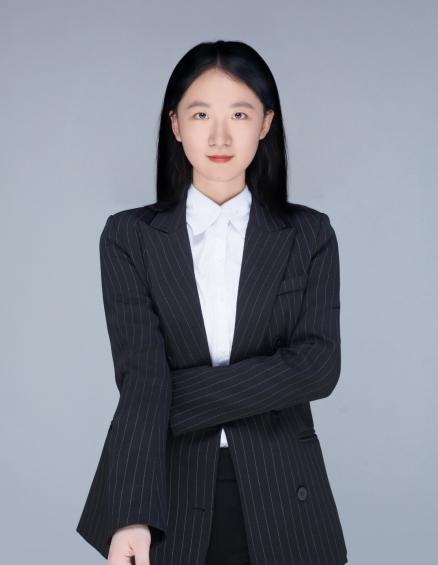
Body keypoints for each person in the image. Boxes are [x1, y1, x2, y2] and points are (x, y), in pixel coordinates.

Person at [76, 40, 348, 565]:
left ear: (265, 123)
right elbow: (140, 373)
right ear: (175, 124)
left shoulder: (310, 234)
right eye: (201, 114)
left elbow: (317, 367)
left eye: (239, 114)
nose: (220, 136)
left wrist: (169, 397)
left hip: (284, 493)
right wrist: (130, 515)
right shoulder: (129, 237)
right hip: (169, 493)